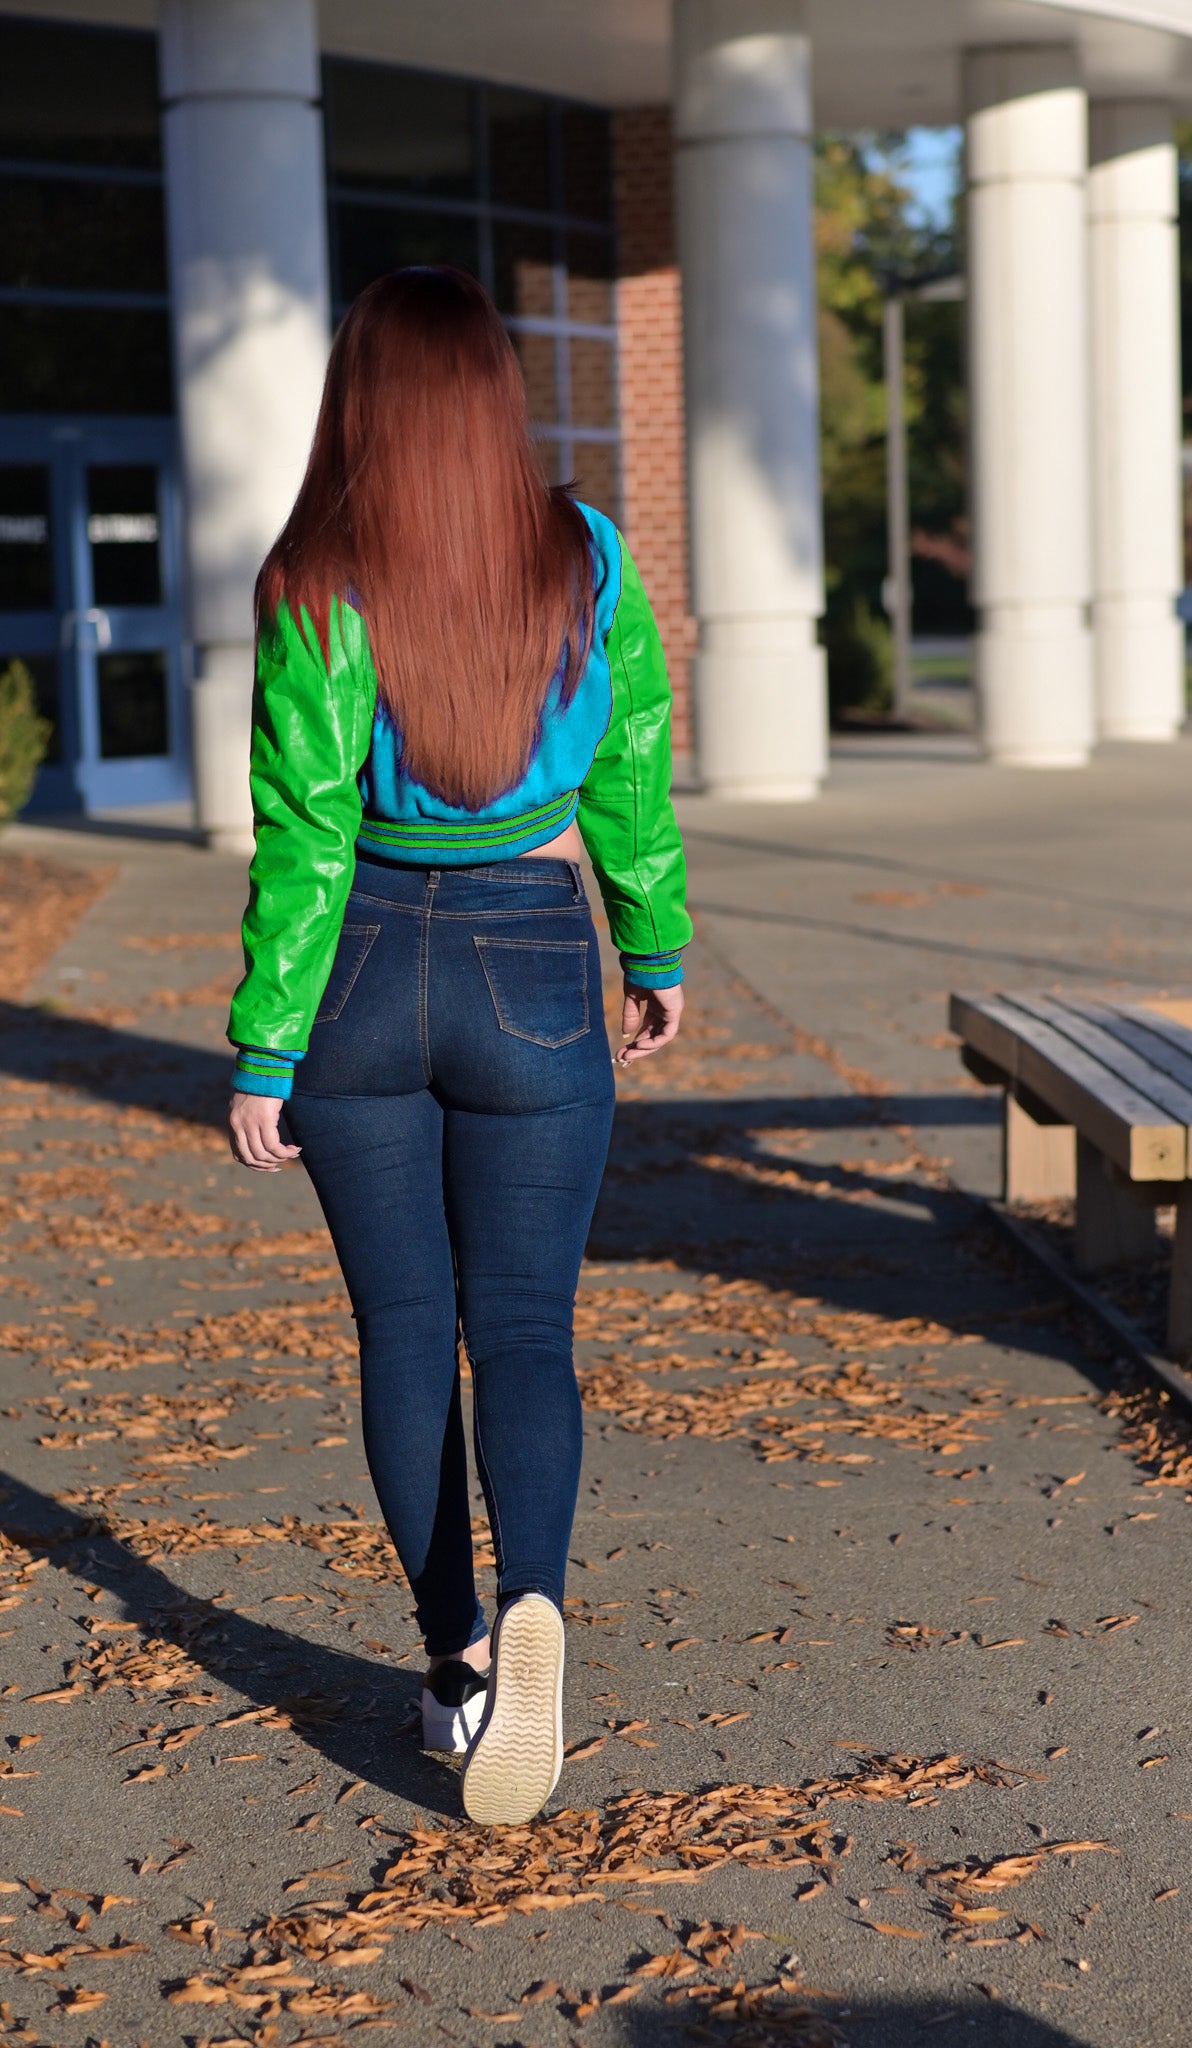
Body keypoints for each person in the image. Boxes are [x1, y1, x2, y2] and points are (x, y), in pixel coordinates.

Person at [223, 266, 689, 1828]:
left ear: (359, 398)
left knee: (403, 1331)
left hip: (357, 966)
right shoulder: (584, 555)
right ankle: (540, 1593)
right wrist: (656, 939)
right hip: (534, 964)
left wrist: (264, 1047)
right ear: (498, 392)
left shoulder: (315, 579)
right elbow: (629, 759)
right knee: (529, 1332)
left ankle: (456, 1663)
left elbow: (298, 826)